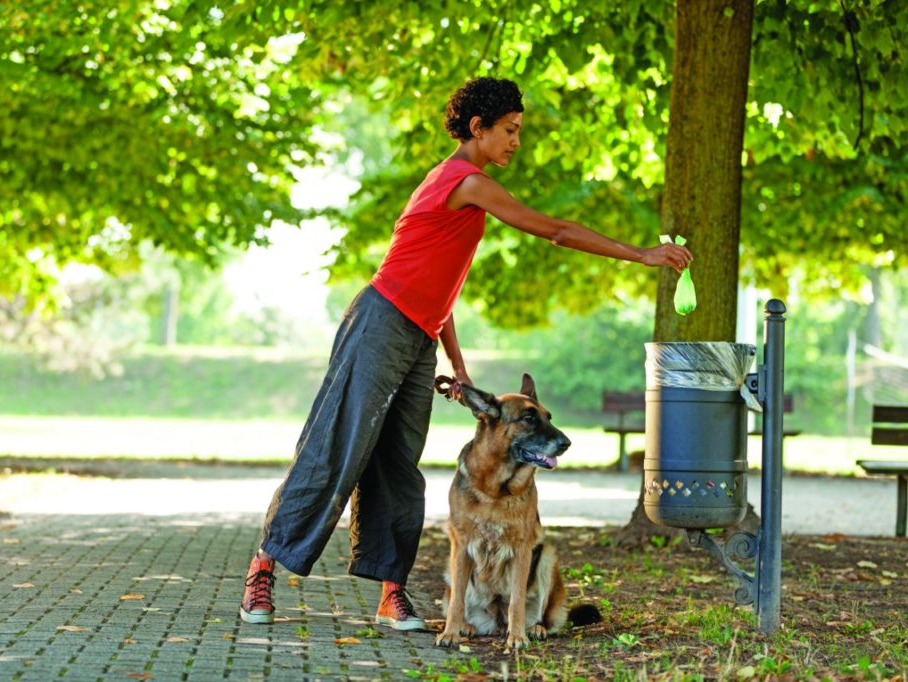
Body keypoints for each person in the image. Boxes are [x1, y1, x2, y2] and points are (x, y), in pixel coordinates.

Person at [240, 77, 692, 630]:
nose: (516, 141)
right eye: (509, 130)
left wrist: (455, 364)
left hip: (418, 336)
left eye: (518, 130)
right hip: (379, 323)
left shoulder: (468, 193)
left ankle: (390, 591)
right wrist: (642, 255)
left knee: (400, 463)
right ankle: (262, 568)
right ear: (477, 129)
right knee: (338, 447)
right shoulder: (463, 181)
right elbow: (553, 230)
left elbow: (442, 289)